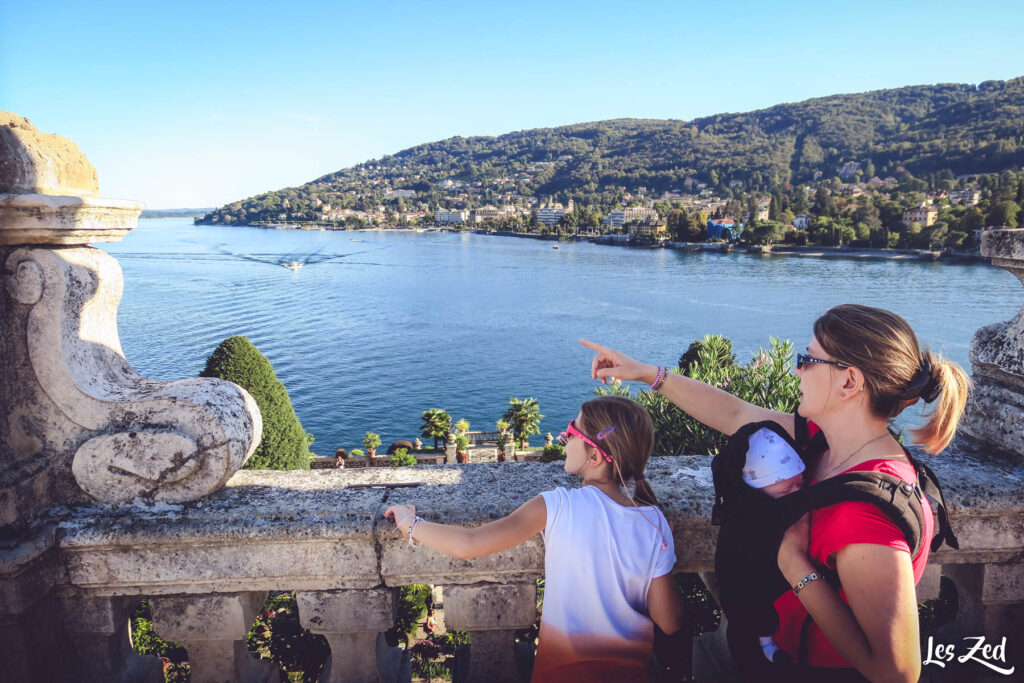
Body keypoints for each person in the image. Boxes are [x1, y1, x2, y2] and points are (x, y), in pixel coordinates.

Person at [582, 303, 971, 682]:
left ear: (849, 382)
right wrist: (648, 373)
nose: (797, 369)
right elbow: (735, 414)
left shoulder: (865, 515)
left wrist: (794, 565)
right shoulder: (827, 445)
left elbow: (896, 672)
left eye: (808, 359)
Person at [386, 396, 690, 682]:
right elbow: (671, 621)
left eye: (572, 431)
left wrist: (409, 523)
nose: (564, 437)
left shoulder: (557, 505)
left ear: (595, 455)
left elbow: (469, 545)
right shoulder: (653, 522)